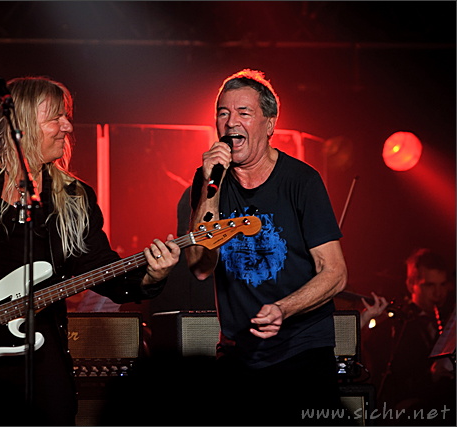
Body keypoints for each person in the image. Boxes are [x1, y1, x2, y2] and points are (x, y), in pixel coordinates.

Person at [0, 75, 180, 426]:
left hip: (37, 351)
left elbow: (100, 267)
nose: (68, 126)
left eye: (67, 117)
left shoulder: (73, 197)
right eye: (56, 118)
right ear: (20, 124)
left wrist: (151, 275)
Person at [184, 69, 348, 425]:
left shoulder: (302, 181)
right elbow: (199, 266)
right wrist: (211, 185)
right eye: (223, 113)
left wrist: (283, 309)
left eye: (244, 112)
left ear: (269, 124)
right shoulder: (208, 182)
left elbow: (335, 273)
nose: (231, 122)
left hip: (302, 350)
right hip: (238, 354)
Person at [362, 248, 455, 425]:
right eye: (429, 285)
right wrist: (431, 376)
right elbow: (387, 380)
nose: (438, 294)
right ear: (411, 284)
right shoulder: (395, 326)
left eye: (443, 285)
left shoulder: (449, 321)